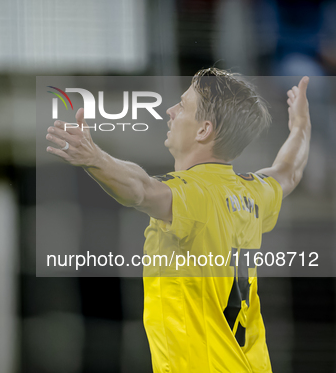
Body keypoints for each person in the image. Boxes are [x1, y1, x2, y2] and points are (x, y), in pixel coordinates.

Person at [45, 68, 311, 372]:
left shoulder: (194, 194)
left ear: (203, 130)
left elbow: (141, 189)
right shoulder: (253, 191)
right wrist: (301, 125)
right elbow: (289, 170)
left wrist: (95, 158)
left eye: (183, 106)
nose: (171, 111)